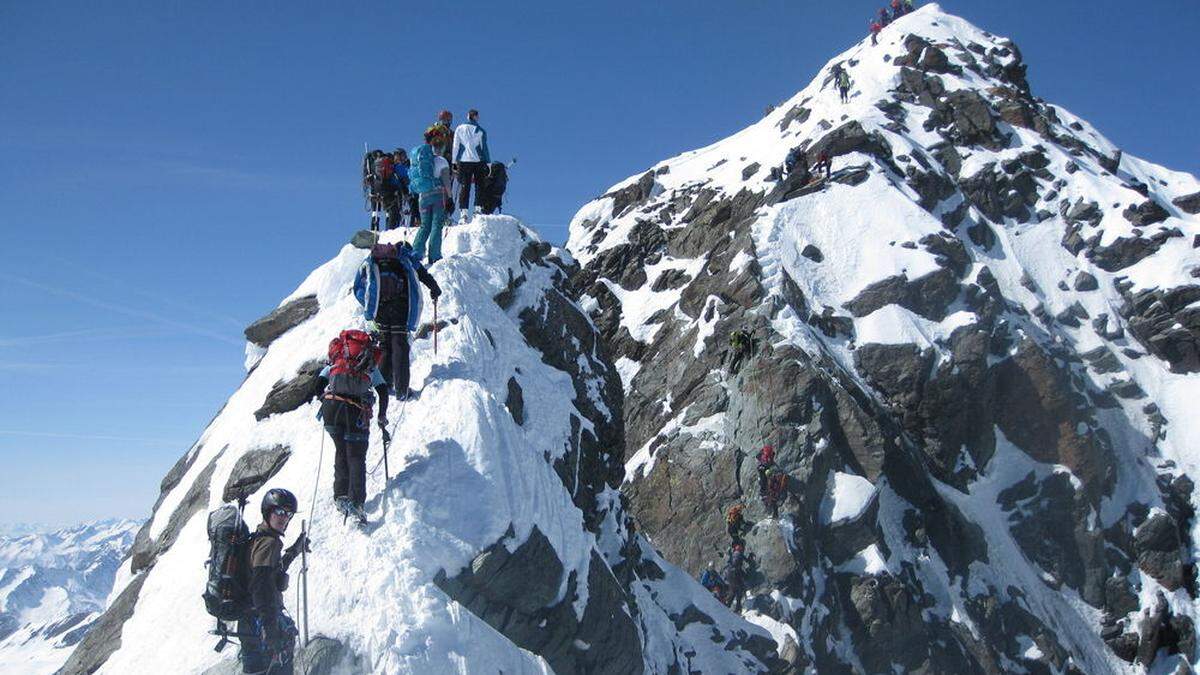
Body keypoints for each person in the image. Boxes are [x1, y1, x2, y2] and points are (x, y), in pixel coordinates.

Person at [310, 330, 389, 523]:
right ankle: (356, 502)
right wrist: (381, 415)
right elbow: (383, 390)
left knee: (340, 451)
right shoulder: (370, 363)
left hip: (332, 409)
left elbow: (318, 384)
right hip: (356, 411)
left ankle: (341, 496)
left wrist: (324, 399)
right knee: (356, 456)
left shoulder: (337, 359)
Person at [354, 241, 442, 401]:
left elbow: (358, 286)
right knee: (399, 345)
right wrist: (434, 288)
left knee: (385, 346)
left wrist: (368, 303)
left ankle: (384, 385)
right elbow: (423, 274)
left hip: (379, 308)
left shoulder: (374, 259)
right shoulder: (405, 256)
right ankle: (402, 390)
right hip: (399, 307)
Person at [240, 488, 308, 675]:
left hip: (249, 621)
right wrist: (270, 631)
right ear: (268, 511)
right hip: (262, 623)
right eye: (279, 511)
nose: (284, 517)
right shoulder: (269, 543)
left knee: (255, 670)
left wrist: (294, 550)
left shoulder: (259, 539)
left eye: (288, 514)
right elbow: (261, 586)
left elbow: (270, 574)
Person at [410, 126, 454, 264]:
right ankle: (434, 256)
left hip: (423, 197)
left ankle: (415, 253)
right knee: (436, 225)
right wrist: (450, 198)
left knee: (424, 226)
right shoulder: (442, 161)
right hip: (438, 195)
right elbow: (446, 182)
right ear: (441, 147)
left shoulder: (423, 160)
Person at [452, 109, 492, 221]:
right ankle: (477, 210)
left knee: (465, 187)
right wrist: (488, 163)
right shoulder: (480, 131)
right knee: (480, 186)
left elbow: (455, 146)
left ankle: (463, 214)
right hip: (478, 160)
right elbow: (484, 148)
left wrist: (454, 162)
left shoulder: (459, 128)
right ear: (475, 117)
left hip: (463, 161)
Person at [722, 544, 747, 612]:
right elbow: (737, 566)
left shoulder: (732, 555)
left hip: (730, 575)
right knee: (738, 591)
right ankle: (737, 608)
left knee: (733, 591)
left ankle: (727, 606)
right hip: (735, 575)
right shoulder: (738, 555)